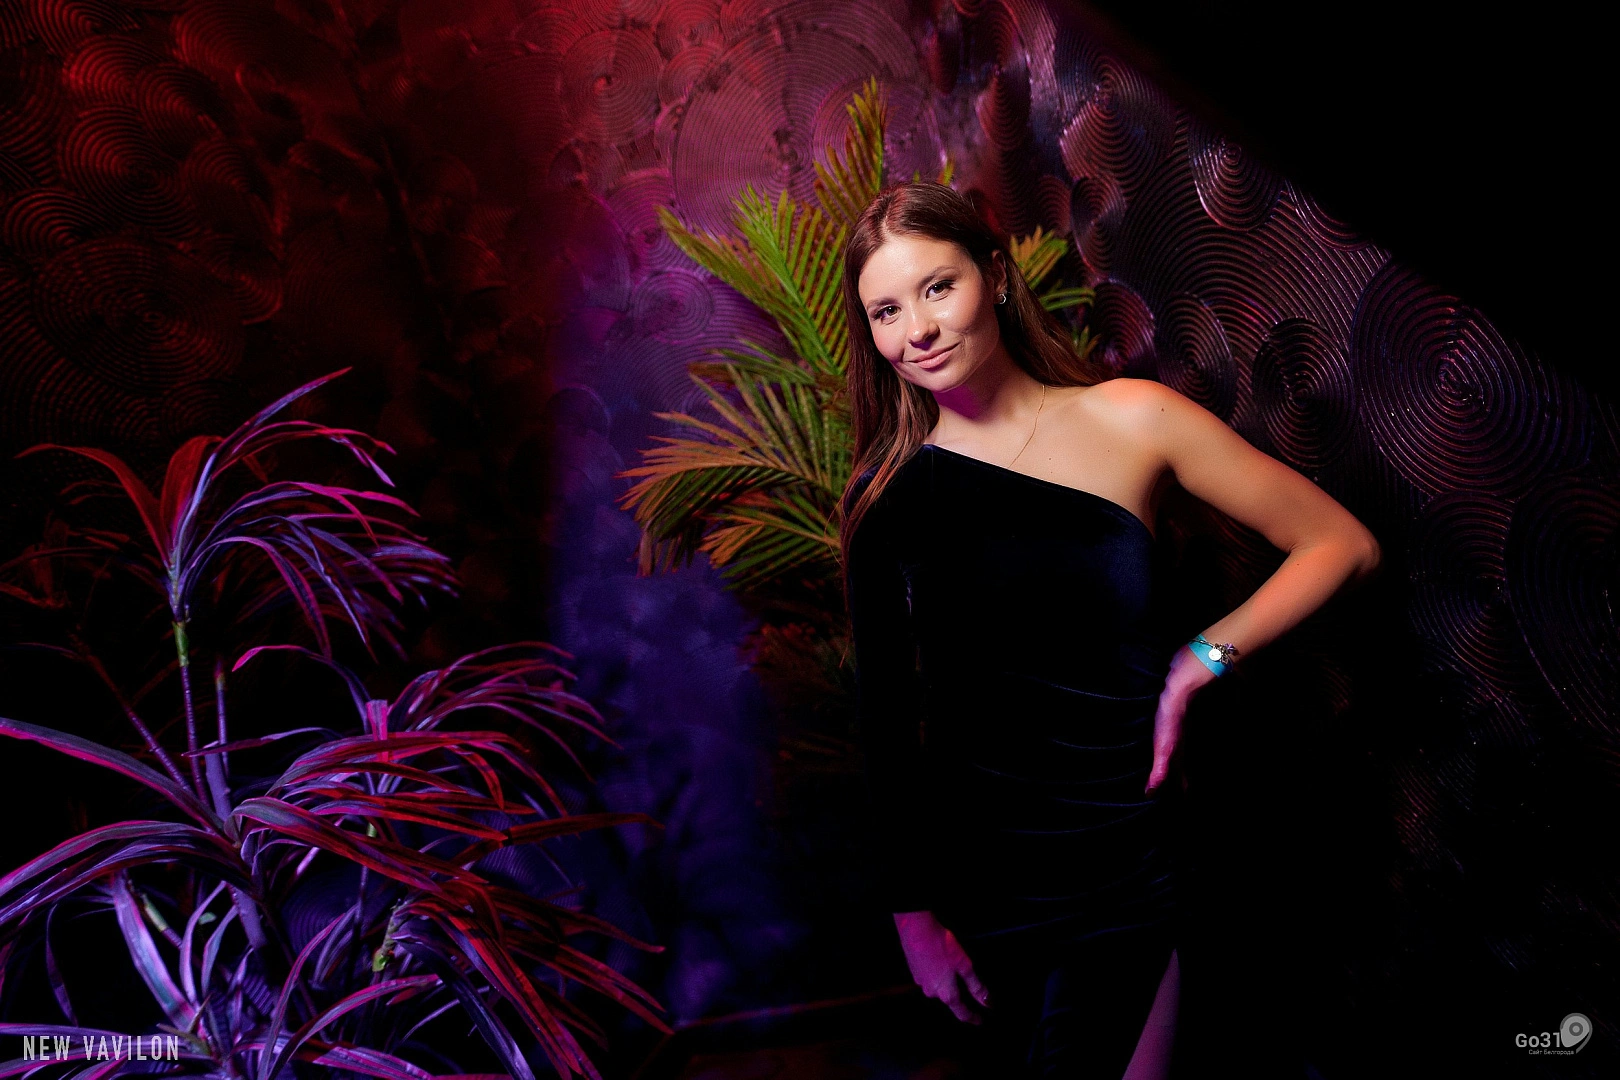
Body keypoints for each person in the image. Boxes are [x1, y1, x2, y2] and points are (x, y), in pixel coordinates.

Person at [837, 181, 1382, 1078]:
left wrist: (1202, 660)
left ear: (995, 277)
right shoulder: (885, 497)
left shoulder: (1133, 419)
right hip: (985, 883)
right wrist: (914, 922)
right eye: (886, 312)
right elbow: (887, 727)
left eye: (938, 288)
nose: (917, 331)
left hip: (1127, 856)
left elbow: (1341, 544)